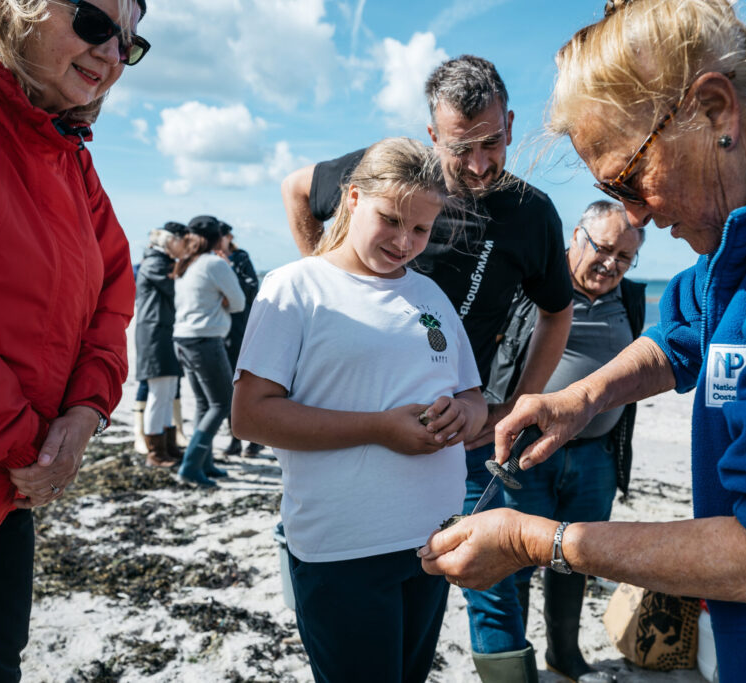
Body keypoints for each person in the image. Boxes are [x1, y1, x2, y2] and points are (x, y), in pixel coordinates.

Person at [419, 1, 746, 681]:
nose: (634, 212)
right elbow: (681, 332)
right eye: (609, 191)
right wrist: (582, 398)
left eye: (629, 177)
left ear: (713, 110)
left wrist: (537, 541)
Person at [281, 54, 573, 680]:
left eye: (492, 143)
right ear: (433, 134)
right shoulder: (397, 179)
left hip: (458, 426)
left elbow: (557, 313)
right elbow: (298, 187)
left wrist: (514, 405)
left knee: (442, 577)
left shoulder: (532, 213)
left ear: (511, 124)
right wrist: (327, 285)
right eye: (461, 148)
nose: (478, 165)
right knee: (343, 579)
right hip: (352, 419)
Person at [0, 0, 147, 678]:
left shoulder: (66, 152)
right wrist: (38, 445)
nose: (112, 54)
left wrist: (83, 416)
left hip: (6, 492)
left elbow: (113, 294)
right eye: (94, 23)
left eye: (131, 43)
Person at [233, 137, 487, 683]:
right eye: (390, 220)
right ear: (352, 197)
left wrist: (464, 415)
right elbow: (250, 414)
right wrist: (378, 429)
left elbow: (473, 396)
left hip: (432, 540)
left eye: (420, 229)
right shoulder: (295, 288)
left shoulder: (431, 295)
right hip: (342, 549)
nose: (405, 241)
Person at [486, 201, 644, 682]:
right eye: (603, 248)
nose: (611, 263)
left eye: (624, 257)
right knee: (516, 558)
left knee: (576, 558)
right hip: (529, 454)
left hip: (595, 455)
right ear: (576, 237)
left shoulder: (632, 300)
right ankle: (517, 660)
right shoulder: (533, 289)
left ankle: (564, 654)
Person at [173, 215, 245, 487]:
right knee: (222, 403)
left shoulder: (186, 263)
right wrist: (223, 299)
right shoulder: (215, 263)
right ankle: (191, 467)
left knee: (205, 403)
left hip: (182, 338)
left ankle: (205, 462)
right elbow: (238, 303)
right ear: (218, 237)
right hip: (205, 340)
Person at [135, 222, 187, 467]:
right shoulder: (155, 262)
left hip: (163, 330)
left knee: (168, 391)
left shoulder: (160, 261)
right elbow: (176, 288)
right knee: (159, 392)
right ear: (169, 241)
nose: (184, 246)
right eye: (181, 241)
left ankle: (167, 446)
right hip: (155, 332)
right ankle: (155, 451)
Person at [216, 221, 261, 457]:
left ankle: (255, 440)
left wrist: (229, 270)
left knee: (244, 385)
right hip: (220, 331)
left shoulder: (241, 258)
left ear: (228, 237)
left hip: (242, 328)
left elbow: (252, 290)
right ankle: (234, 438)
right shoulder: (210, 260)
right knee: (227, 387)